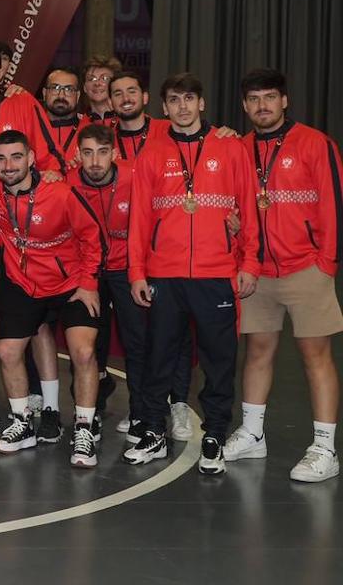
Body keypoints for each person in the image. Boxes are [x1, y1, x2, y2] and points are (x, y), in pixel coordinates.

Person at [124, 72, 259, 475]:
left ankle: (215, 434)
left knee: (219, 361)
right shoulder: (152, 152)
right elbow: (140, 220)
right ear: (163, 108)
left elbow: (249, 209)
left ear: (202, 103)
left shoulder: (230, 148)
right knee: (158, 358)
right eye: (174, 100)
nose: (182, 106)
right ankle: (152, 431)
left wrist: (249, 263)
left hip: (216, 274)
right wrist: (136, 272)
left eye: (189, 99)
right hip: (164, 274)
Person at [225, 68, 342, 482]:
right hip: (258, 270)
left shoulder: (314, 143)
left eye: (270, 97)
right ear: (244, 106)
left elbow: (333, 204)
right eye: (254, 99)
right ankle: (253, 434)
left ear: (285, 100)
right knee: (257, 351)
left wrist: (326, 262)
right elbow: (234, 205)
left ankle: (325, 447)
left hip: (306, 267)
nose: (263, 106)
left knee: (316, 355)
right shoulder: (238, 148)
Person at [0, 130, 103, 467]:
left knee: (84, 350)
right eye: (1, 159)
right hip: (25, 284)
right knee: (6, 350)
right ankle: (22, 423)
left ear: (31, 159)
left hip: (71, 283)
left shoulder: (60, 194)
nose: (9, 165)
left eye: (17, 157)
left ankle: (84, 429)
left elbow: (92, 236)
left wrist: (89, 283)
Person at [67, 124, 171, 441]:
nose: (95, 161)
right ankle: (90, 411)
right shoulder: (67, 184)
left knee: (138, 342)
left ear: (114, 153)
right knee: (86, 345)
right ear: (77, 156)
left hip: (128, 268)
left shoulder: (134, 176)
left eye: (102, 152)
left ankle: (141, 411)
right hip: (90, 272)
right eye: (87, 153)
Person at [34, 66, 90, 175]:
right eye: (55, 88)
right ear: (44, 93)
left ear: (77, 96)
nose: (61, 95)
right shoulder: (30, 128)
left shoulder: (90, 130)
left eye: (69, 89)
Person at [108, 70, 169, 162]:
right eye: (118, 94)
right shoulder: (104, 140)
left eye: (132, 92)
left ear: (145, 98)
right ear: (110, 103)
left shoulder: (167, 130)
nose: (126, 99)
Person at [82, 55, 122, 125]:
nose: (97, 83)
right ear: (84, 87)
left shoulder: (132, 122)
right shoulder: (77, 126)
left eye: (104, 78)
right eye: (91, 79)